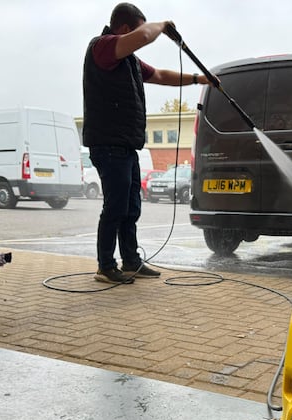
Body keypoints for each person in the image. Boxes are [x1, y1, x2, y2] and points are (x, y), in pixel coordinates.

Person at [83, 3, 209, 284]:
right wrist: (162, 26)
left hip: (127, 145)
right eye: (140, 28)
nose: (143, 36)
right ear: (125, 29)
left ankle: (131, 262)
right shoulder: (102, 48)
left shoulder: (130, 63)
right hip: (108, 144)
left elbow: (162, 76)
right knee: (115, 207)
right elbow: (143, 37)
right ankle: (105, 265)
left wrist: (198, 79)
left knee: (131, 208)